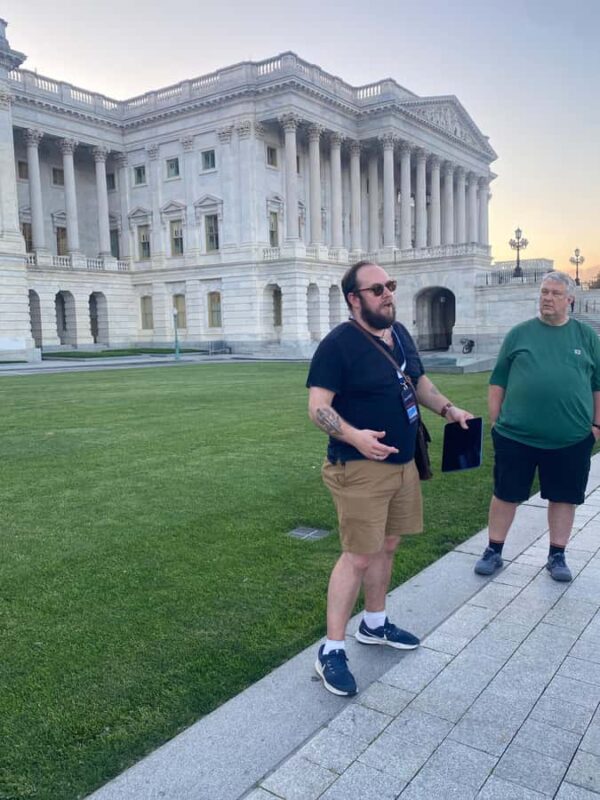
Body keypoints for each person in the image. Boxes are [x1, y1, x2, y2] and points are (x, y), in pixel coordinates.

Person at [307, 260, 473, 696]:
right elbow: (318, 408)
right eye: (377, 289)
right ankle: (331, 650)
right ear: (354, 299)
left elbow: (419, 383)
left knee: (389, 543)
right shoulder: (338, 345)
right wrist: (354, 436)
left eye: (390, 286)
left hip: (403, 462)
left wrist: (448, 409)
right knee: (358, 556)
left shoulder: (399, 334)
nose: (388, 294)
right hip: (358, 467)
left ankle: (374, 624)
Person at [475, 271, 600, 582]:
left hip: (571, 438)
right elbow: (498, 381)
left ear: (570, 300)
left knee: (564, 497)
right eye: (544, 292)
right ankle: (493, 550)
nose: (548, 298)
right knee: (505, 493)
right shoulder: (519, 334)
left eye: (555, 293)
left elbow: (597, 385)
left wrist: (596, 425)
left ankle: (557, 555)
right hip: (516, 436)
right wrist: (496, 423)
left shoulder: (586, 337)